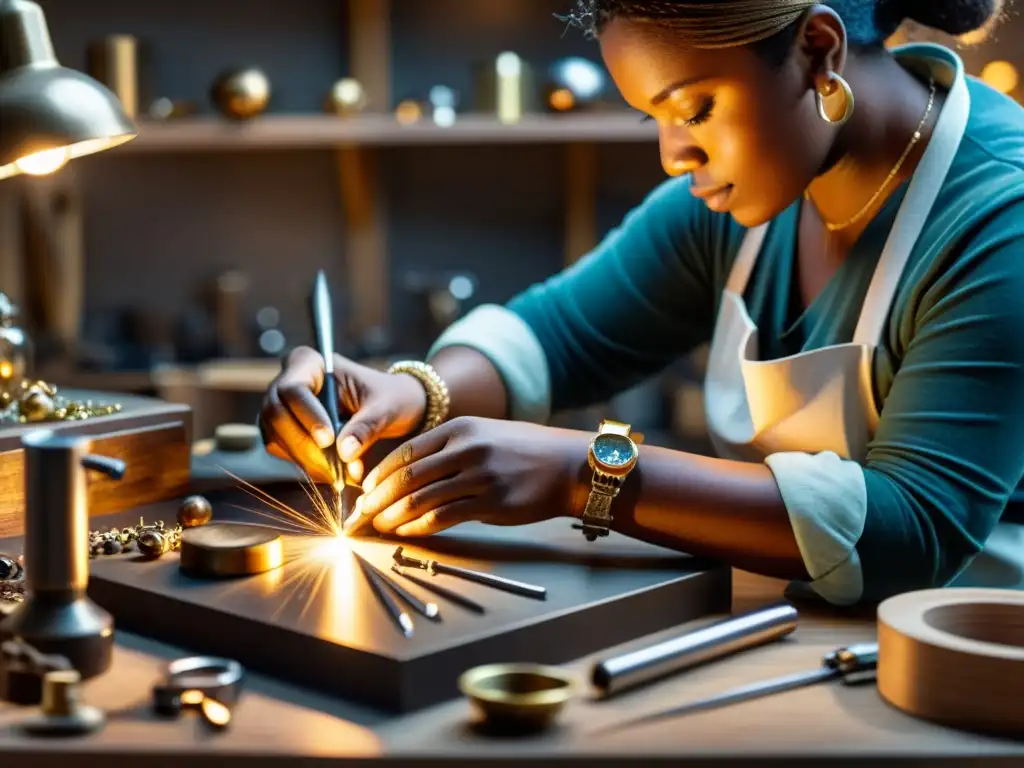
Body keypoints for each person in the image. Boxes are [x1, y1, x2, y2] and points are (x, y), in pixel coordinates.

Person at [259, 0, 1024, 606]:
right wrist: (413, 392)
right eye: (651, 117)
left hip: (970, 670)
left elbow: (911, 528)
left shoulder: (1000, 216)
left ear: (818, 52)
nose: (672, 154)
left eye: (693, 110)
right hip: (804, 631)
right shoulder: (737, 201)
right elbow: (550, 338)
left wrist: (586, 474)